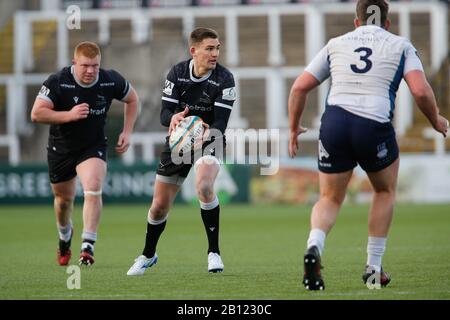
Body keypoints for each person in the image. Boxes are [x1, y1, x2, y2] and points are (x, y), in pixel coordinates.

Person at [288, 0, 449, 290]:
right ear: (387, 23)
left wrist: (292, 129)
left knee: (330, 198)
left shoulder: (336, 43)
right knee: (384, 190)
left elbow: (299, 86)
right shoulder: (401, 45)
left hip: (335, 122)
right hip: (372, 125)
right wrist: (436, 119)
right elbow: (421, 91)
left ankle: (314, 246)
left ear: (356, 22)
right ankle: (373, 268)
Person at [126, 27, 236, 276]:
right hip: (179, 142)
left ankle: (213, 253)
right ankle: (148, 254)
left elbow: (220, 123)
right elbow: (166, 114)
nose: (215, 53)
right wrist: (173, 118)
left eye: (217, 48)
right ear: (193, 50)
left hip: (210, 138)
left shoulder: (225, 79)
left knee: (204, 187)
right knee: (158, 207)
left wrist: (206, 134)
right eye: (209, 48)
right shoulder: (176, 73)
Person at [31, 41, 140, 266]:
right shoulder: (58, 81)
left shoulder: (110, 79)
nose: (91, 71)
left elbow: (133, 99)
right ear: (74, 63)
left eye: (95, 66)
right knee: (63, 201)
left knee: (93, 187)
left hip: (92, 146)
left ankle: (87, 246)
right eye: (85, 66)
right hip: (61, 149)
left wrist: (127, 132)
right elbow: (37, 114)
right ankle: (64, 236)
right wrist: (68, 115)